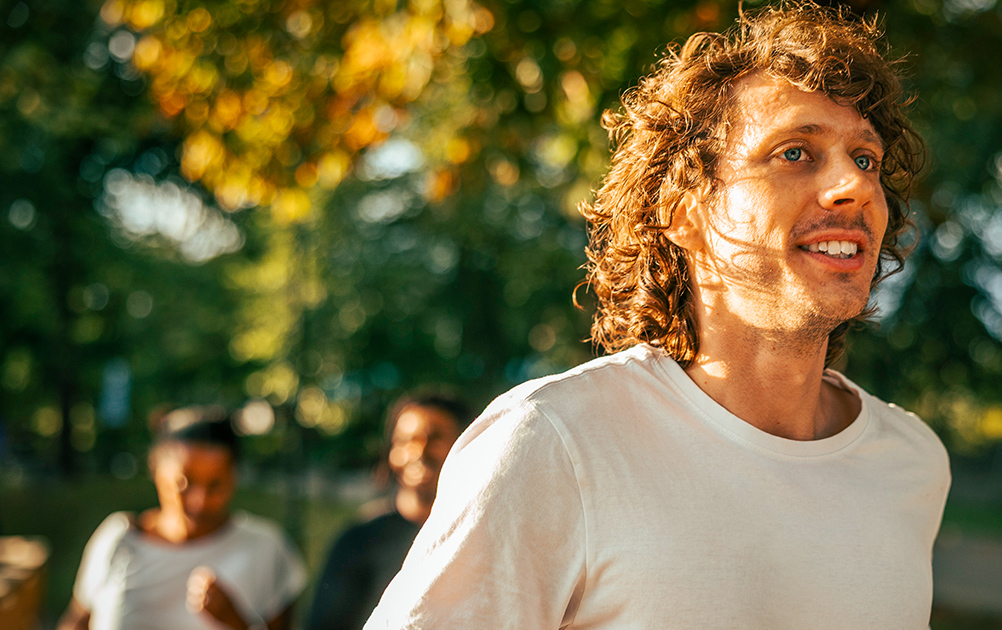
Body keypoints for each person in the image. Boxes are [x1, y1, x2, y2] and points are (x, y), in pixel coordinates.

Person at [367, 2, 951, 628]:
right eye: (795, 153)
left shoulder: (912, 463)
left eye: (866, 159)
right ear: (683, 213)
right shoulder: (553, 444)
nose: (857, 186)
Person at [58, 406, 306, 630]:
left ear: (235, 477)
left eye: (216, 485)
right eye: (184, 483)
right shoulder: (119, 538)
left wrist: (236, 622)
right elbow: (76, 621)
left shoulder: (264, 547)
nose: (199, 500)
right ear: (156, 471)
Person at [305, 391, 471, 630]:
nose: (418, 451)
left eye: (434, 438)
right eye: (405, 440)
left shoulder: (478, 536)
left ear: (466, 446)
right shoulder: (359, 541)